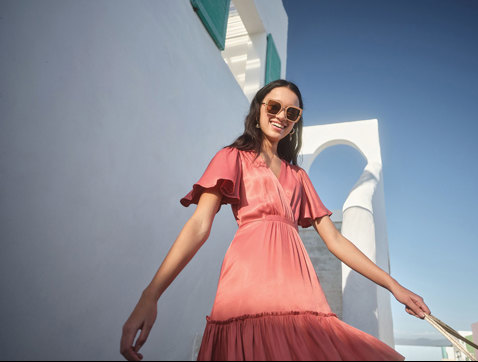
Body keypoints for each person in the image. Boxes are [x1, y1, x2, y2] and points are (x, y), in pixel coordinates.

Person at [120, 79, 431, 361]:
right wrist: (151, 295)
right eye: (274, 106)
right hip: (246, 287)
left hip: (299, 289)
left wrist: (394, 285)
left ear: (295, 124)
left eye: (292, 113)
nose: (281, 115)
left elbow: (335, 241)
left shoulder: (299, 177)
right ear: (259, 111)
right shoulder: (232, 157)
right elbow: (200, 225)